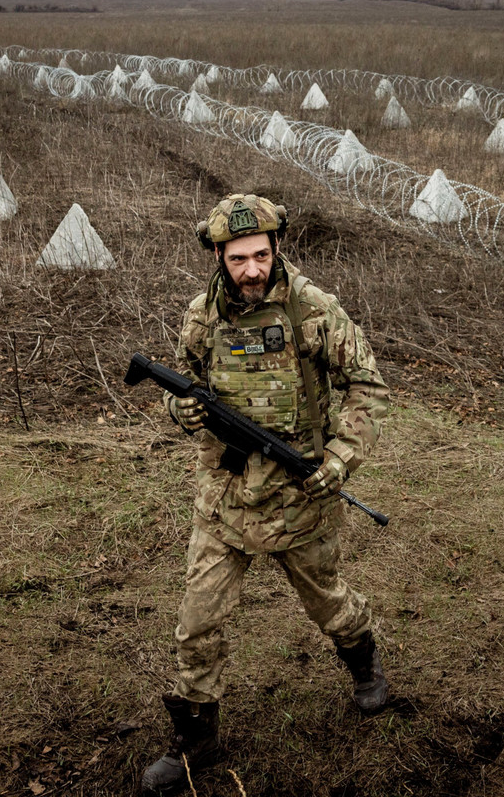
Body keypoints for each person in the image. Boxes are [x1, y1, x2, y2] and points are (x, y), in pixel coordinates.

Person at [141, 194, 391, 796]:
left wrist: (338, 459)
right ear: (219, 258)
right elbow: (182, 381)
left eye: (260, 255)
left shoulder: (315, 311)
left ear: (277, 248)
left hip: (300, 495)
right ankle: (198, 740)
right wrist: (182, 409)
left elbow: (369, 387)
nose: (251, 270)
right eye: (237, 259)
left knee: (328, 602)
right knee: (196, 623)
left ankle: (365, 666)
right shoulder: (202, 316)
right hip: (225, 498)